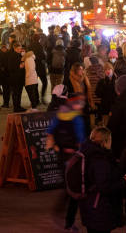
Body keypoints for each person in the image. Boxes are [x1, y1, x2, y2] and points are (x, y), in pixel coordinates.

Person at [46, 92, 87, 233]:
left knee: (68, 188)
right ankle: (64, 219)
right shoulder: (77, 118)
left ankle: (63, 218)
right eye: (80, 103)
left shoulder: (58, 115)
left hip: (62, 156)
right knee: (72, 190)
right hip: (73, 157)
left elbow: (49, 132)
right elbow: (81, 139)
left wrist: (58, 145)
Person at [78, 127, 126, 233]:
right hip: (99, 208)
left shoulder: (87, 153)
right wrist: (124, 182)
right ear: (106, 141)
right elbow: (104, 186)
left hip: (89, 205)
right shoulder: (101, 160)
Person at [28, 33, 49, 104]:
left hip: (32, 66)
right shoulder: (40, 46)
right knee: (45, 82)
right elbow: (43, 56)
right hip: (40, 66)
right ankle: (42, 97)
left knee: (34, 83)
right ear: (39, 39)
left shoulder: (29, 46)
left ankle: (36, 100)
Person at [96, 62, 118, 126]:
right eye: (105, 70)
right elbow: (97, 93)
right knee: (106, 124)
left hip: (115, 106)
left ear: (112, 69)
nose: (107, 71)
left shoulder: (117, 80)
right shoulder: (102, 82)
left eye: (109, 69)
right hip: (105, 106)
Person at [85, 56, 105, 124]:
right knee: (100, 110)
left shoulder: (87, 71)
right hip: (99, 94)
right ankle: (99, 124)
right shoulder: (102, 70)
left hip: (90, 94)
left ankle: (92, 126)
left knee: (92, 112)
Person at [8, 43, 27, 113]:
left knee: (19, 92)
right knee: (15, 92)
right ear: (14, 49)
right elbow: (10, 67)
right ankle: (16, 106)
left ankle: (18, 106)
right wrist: (19, 67)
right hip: (15, 77)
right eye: (17, 49)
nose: (19, 50)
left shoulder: (21, 56)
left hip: (20, 77)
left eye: (20, 49)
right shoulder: (12, 56)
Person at [0, 44, 11, 108]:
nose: (4, 49)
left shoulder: (8, 55)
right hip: (3, 75)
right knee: (4, 89)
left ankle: (7, 102)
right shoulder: (0, 55)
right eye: (3, 48)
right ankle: (5, 102)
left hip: (8, 74)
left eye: (5, 48)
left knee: (8, 89)